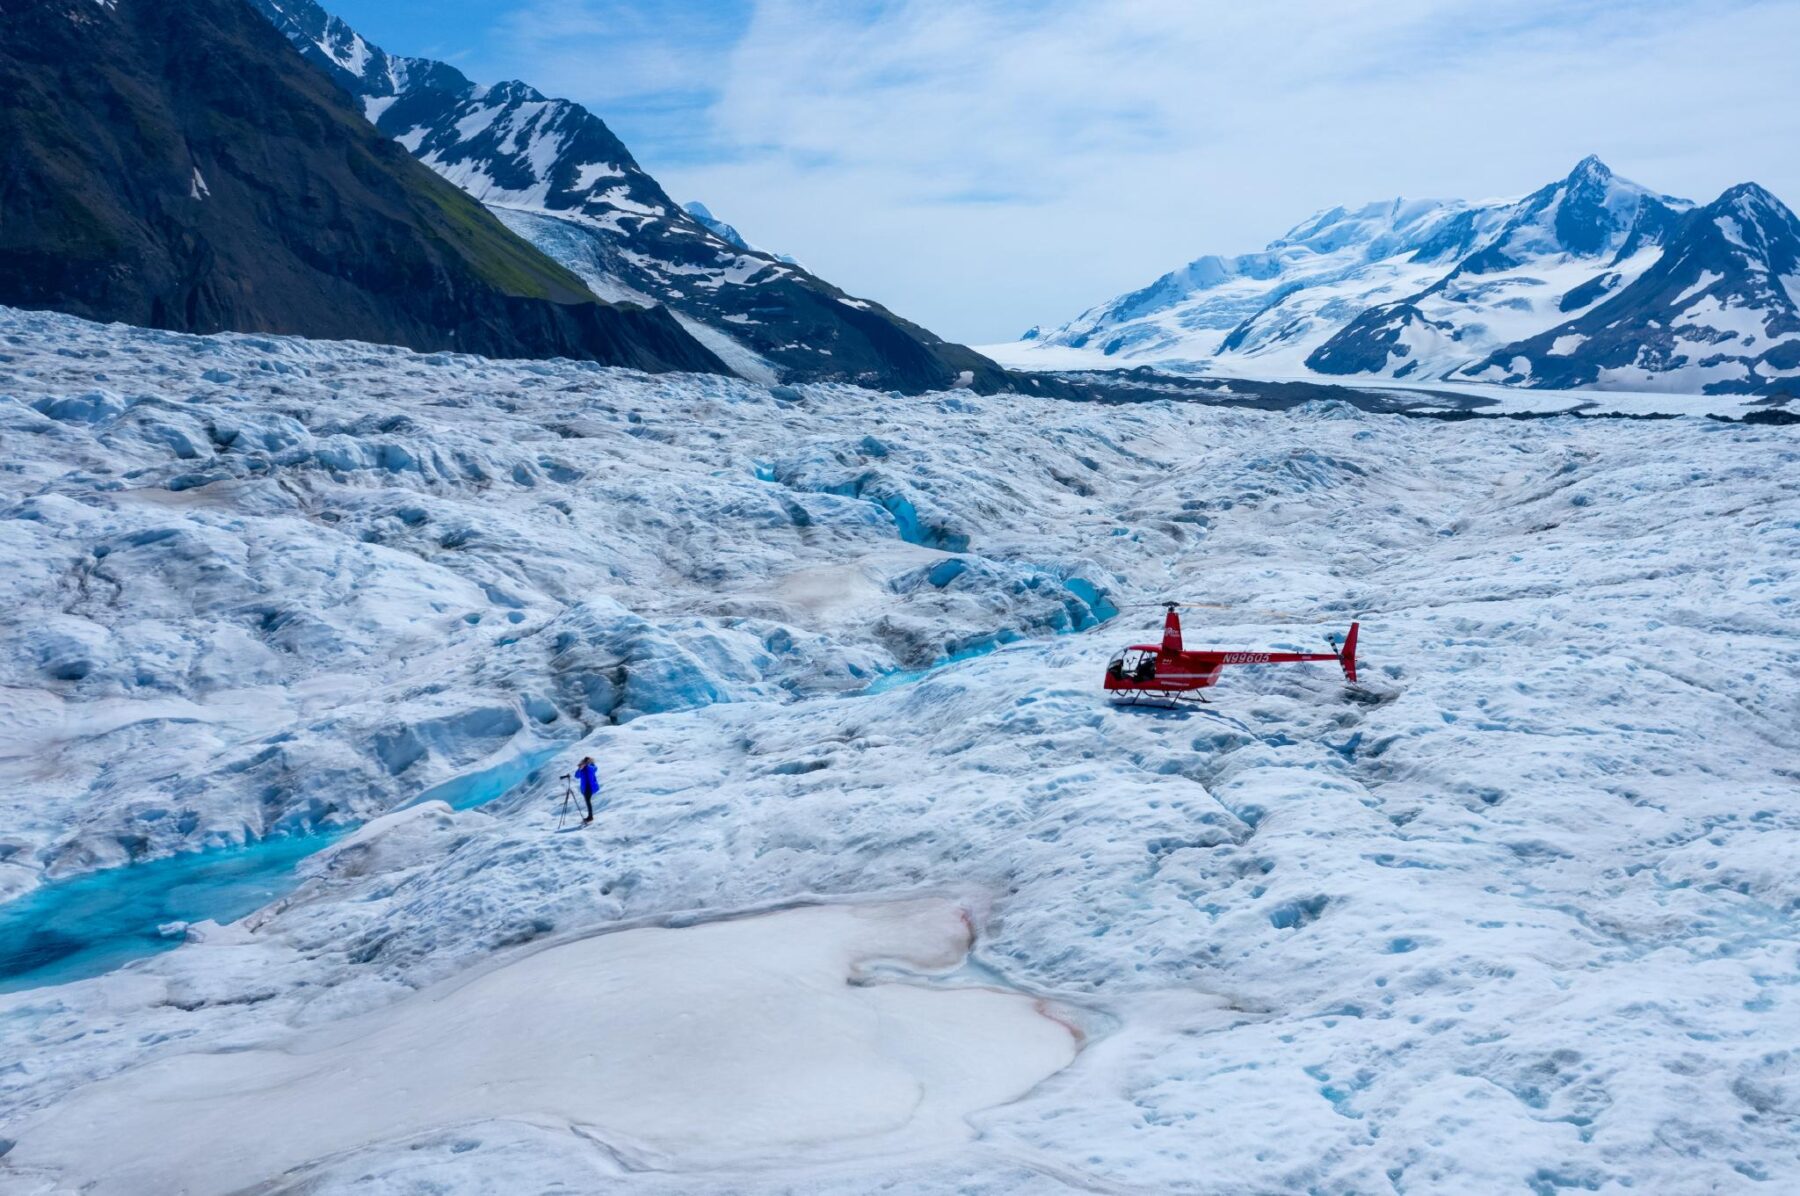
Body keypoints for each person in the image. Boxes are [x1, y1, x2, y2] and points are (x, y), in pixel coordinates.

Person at [576, 756, 600, 824]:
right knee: (587, 801)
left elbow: (594, 768)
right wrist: (579, 768)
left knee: (588, 801)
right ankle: (590, 816)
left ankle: (590, 817)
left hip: (589, 787)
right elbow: (576, 776)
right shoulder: (583, 769)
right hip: (585, 788)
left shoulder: (590, 767)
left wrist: (585, 765)